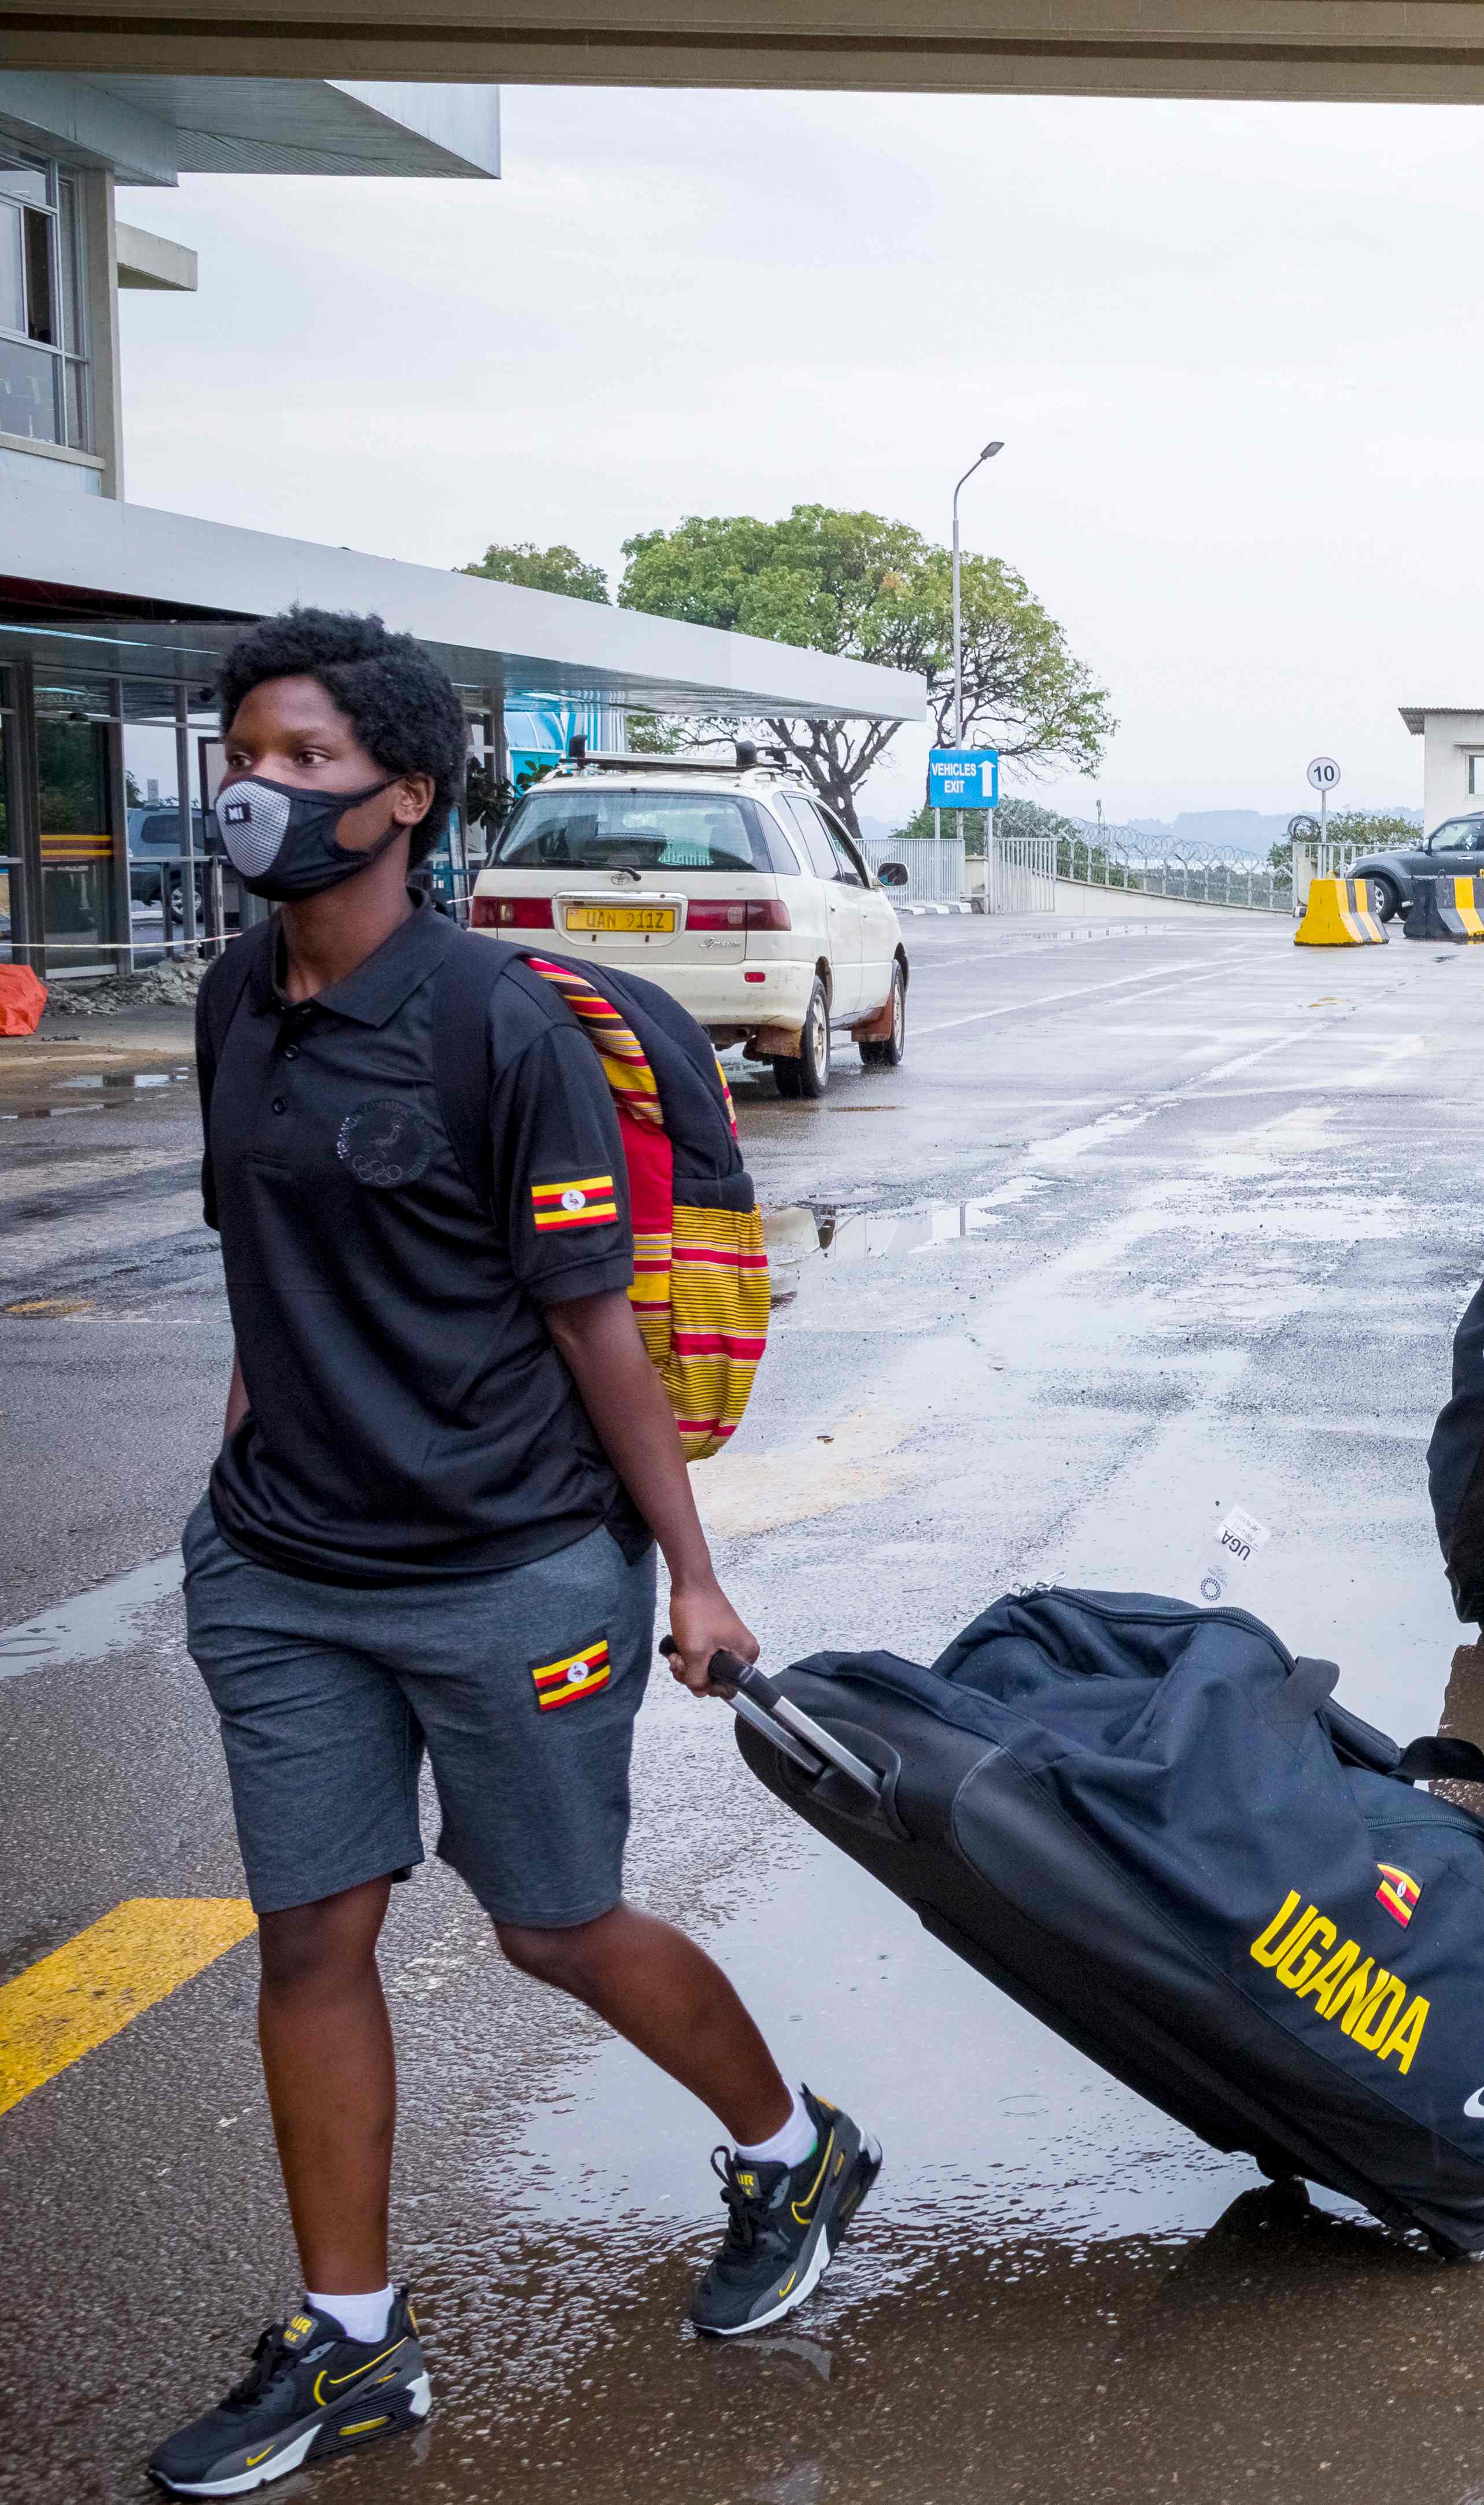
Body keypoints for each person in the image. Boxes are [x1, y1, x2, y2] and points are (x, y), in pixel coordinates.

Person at [152, 612, 876, 2497]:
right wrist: (249, 1445)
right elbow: (275, 1254)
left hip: (510, 1569)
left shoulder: (498, 1028)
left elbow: (593, 1328)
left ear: (402, 796)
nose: (261, 786)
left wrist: (690, 1576)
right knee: (314, 1935)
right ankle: (355, 2346)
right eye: (250, 749)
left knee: (553, 1924)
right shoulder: (240, 1000)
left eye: (307, 758)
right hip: (289, 1570)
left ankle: (790, 2147)